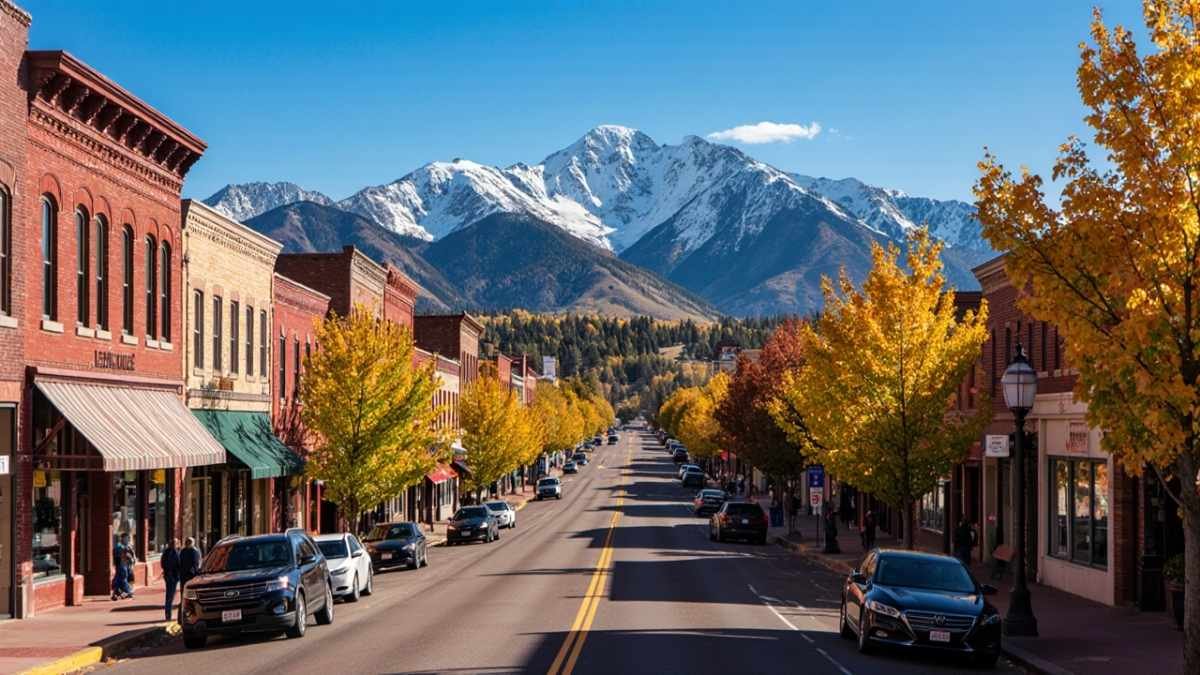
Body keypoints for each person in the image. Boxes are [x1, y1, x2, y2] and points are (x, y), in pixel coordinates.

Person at [111, 533, 135, 600]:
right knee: (123, 577)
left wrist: (131, 560)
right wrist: (126, 555)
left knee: (120, 579)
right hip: (121, 565)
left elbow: (132, 556)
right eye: (126, 538)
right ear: (122, 539)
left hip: (127, 565)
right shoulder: (118, 547)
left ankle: (116, 593)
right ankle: (128, 591)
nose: (127, 540)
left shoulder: (129, 547)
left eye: (128, 538)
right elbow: (117, 556)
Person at [161, 538, 180, 621]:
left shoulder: (166, 552)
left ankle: (168, 614)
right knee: (170, 596)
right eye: (176, 543)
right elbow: (177, 564)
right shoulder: (173, 552)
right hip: (172, 576)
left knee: (169, 595)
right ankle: (168, 615)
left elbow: (162, 563)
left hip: (169, 576)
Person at [179, 536, 202, 605]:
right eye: (187, 542)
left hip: (187, 574)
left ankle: (186, 602)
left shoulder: (187, 551)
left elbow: (196, 563)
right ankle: (185, 602)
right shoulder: (192, 551)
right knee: (187, 589)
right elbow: (196, 563)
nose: (187, 543)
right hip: (188, 574)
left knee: (187, 589)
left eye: (188, 542)